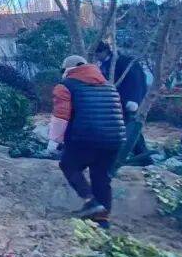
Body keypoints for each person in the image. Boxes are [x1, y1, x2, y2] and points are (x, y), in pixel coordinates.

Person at [48, 55, 126, 228]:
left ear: (67, 70)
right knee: (101, 176)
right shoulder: (109, 86)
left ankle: (91, 202)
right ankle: (102, 220)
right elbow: (117, 113)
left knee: (68, 165)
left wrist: (54, 140)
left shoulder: (66, 86)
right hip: (114, 139)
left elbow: (61, 116)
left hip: (85, 137)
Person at [93, 42, 152, 166]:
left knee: (128, 127)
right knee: (125, 128)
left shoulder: (124, 62)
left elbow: (135, 81)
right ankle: (141, 157)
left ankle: (144, 158)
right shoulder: (108, 64)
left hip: (126, 102)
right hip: (117, 101)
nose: (96, 57)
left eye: (97, 54)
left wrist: (134, 100)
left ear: (105, 51)